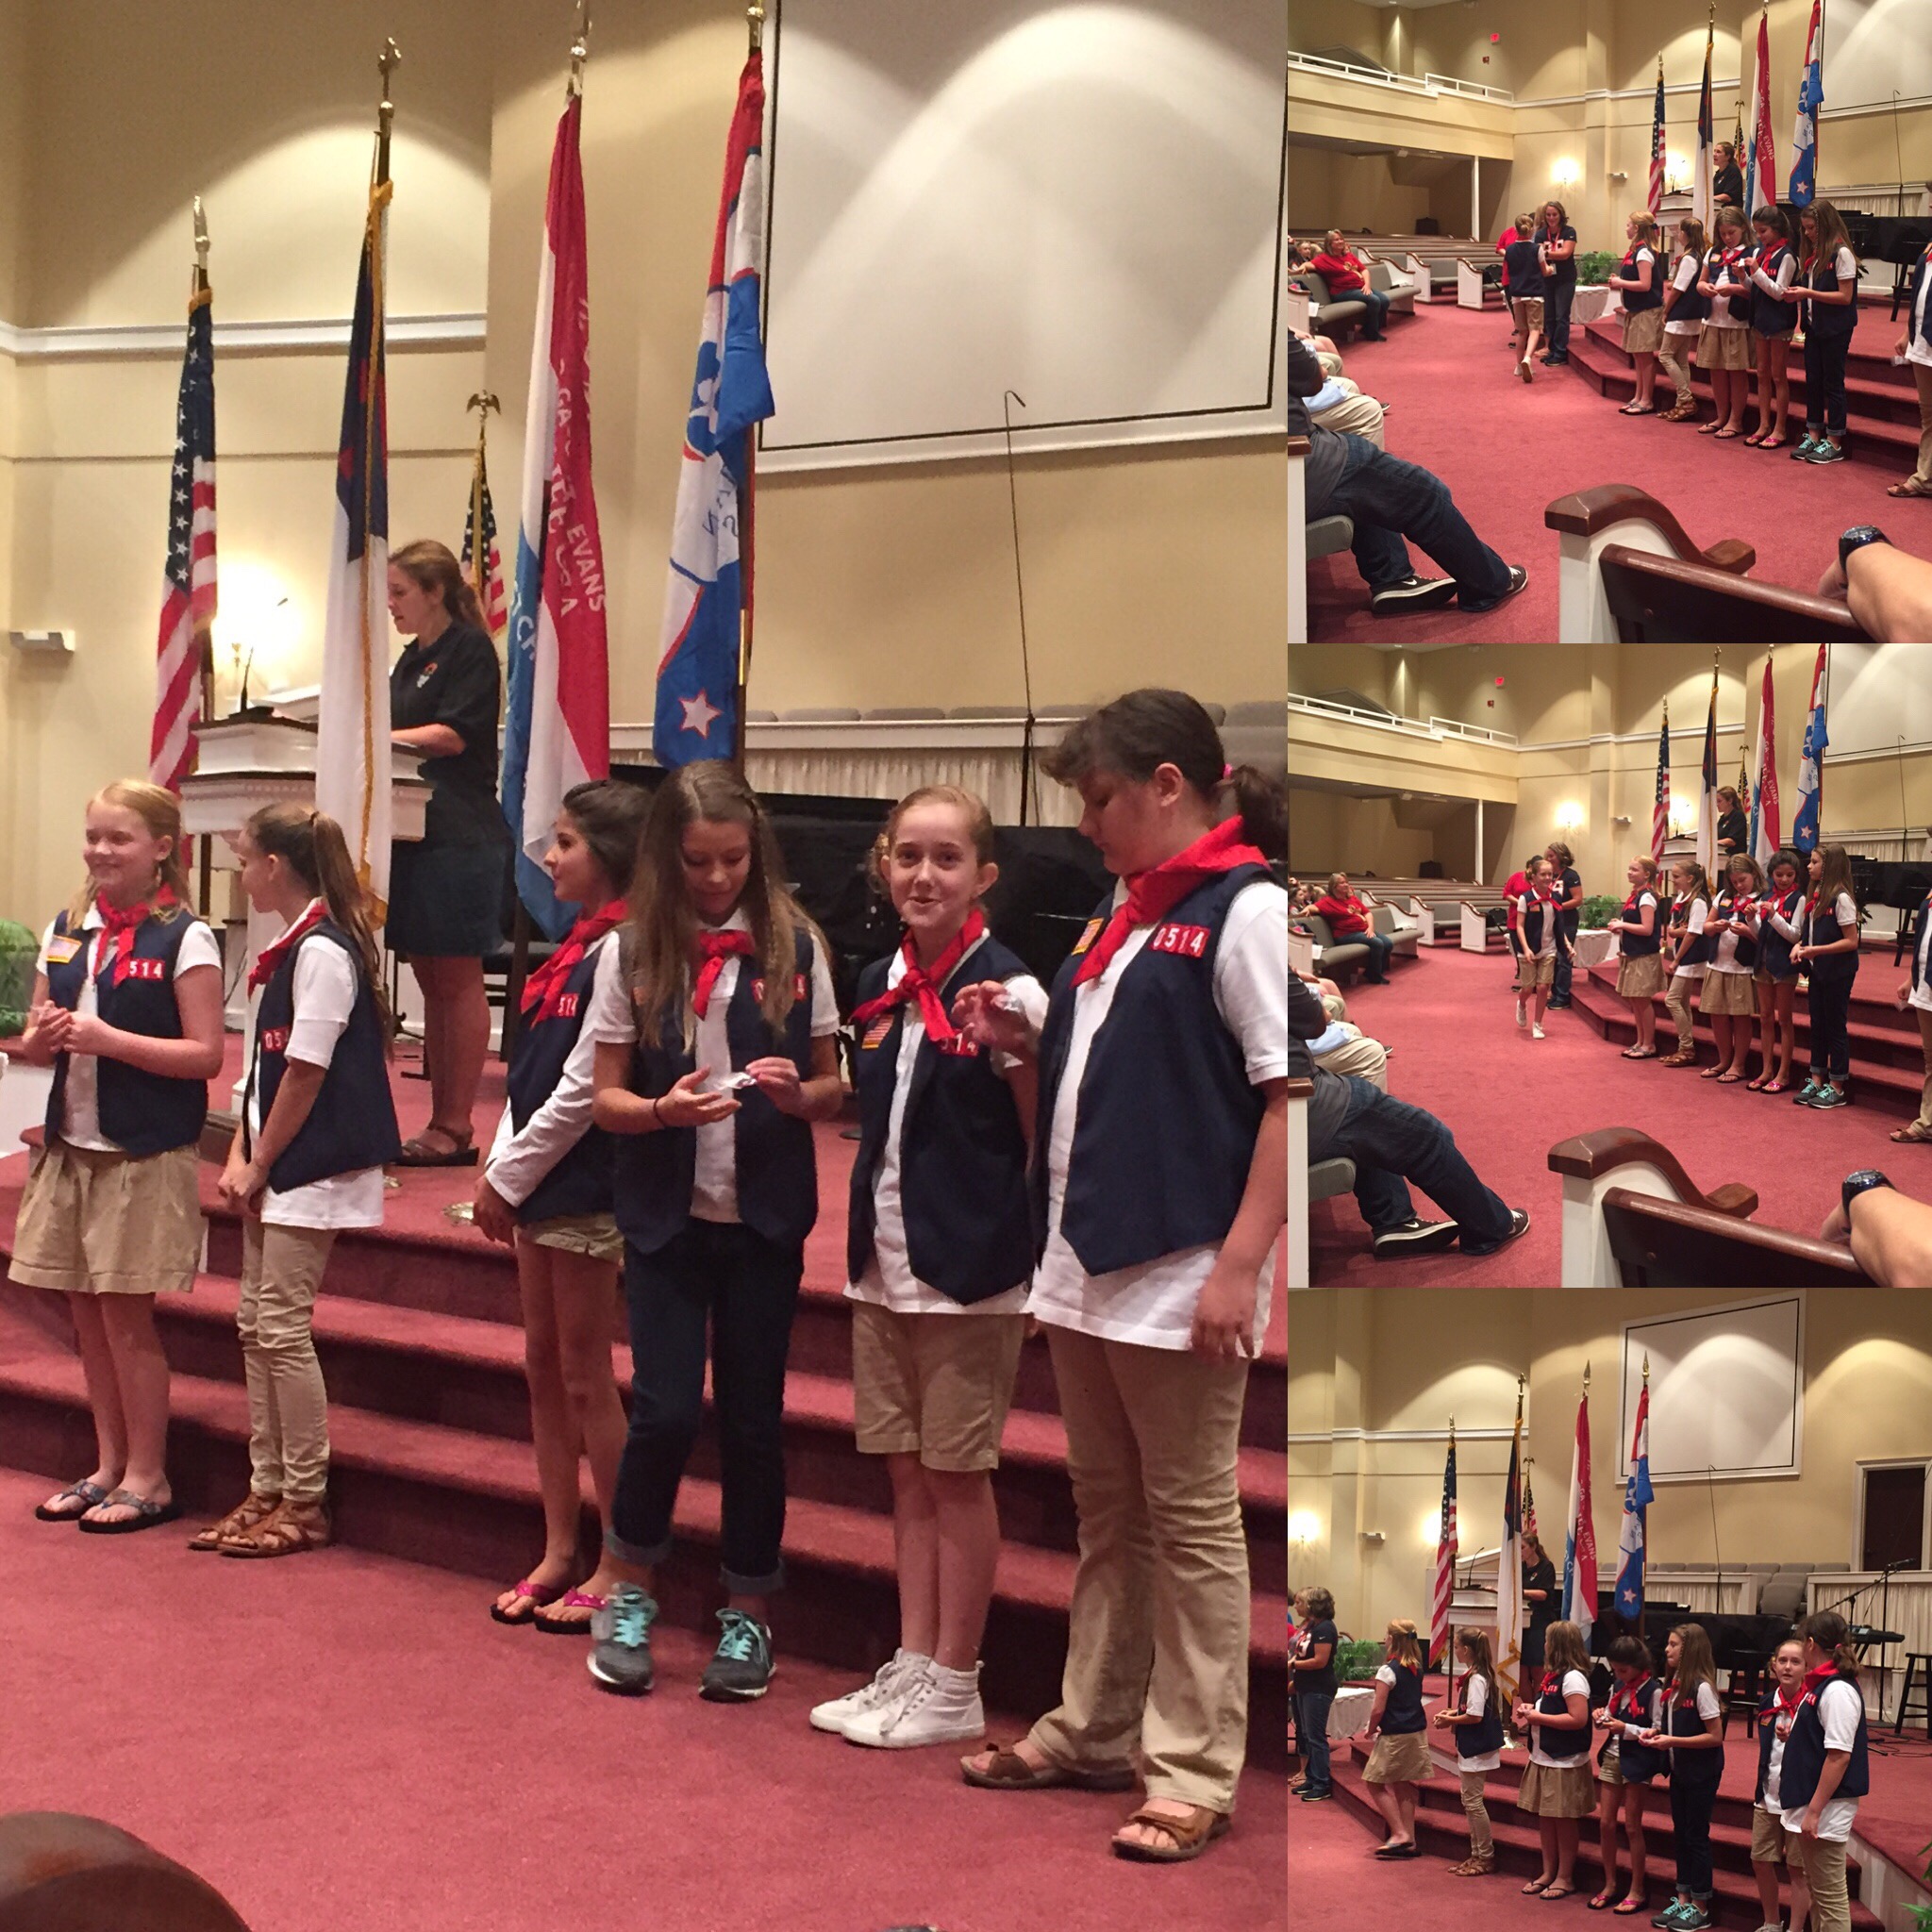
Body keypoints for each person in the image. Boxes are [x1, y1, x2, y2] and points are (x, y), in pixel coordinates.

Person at [953, 691, 1287, 1864]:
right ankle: (1093, 1725)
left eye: (1098, 799)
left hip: (1182, 1263)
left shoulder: (1246, 907)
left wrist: (1237, 1266)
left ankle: (1191, 1767)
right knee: (1109, 1514)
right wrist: (1026, 1034)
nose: (1085, 823)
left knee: (1190, 1521)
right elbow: (1118, 1064)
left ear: (1165, 784)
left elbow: (1286, 1099)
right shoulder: (1125, 907)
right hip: (1087, 1258)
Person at [584, 761, 845, 1702]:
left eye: (733, 859)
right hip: (667, 1214)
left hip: (763, 1216)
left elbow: (833, 1083)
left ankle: (748, 1609)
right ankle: (629, 1589)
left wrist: (801, 1096)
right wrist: (663, 1110)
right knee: (662, 1409)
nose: (716, 877)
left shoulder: (796, 945)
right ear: (667, 857)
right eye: (697, 861)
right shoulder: (630, 950)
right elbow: (605, 1097)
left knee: (752, 1418)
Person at [816, 785, 1047, 1750]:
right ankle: (913, 1660)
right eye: (907, 855)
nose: (923, 875)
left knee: (956, 1473)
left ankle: (957, 1674)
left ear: (982, 875)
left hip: (968, 1268)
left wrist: (1038, 1260)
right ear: (883, 865)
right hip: (884, 1262)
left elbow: (1040, 1134)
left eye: (946, 858)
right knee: (905, 1472)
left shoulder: (1012, 992)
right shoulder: (881, 981)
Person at [15, 779, 225, 1531]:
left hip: (141, 1150)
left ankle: (149, 1476)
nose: (100, 851)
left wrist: (109, 1041)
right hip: (71, 1144)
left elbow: (205, 1055)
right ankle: (108, 1465)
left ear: (162, 849)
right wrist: (39, 1040)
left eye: (118, 838)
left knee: (126, 1321)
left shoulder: (186, 937)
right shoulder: (67, 926)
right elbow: (36, 1037)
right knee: (85, 1316)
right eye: (93, 836)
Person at [194, 806, 400, 1558]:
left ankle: (305, 1499)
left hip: (312, 1165)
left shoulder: (322, 953)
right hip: (276, 1161)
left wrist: (261, 1161)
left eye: (246, 859)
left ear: (275, 867)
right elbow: (263, 1071)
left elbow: (307, 1073)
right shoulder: (286, 949)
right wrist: (240, 1153)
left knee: (280, 1327)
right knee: (255, 1325)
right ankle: (268, 1485)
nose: (241, 872)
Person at [475, 780, 648, 1628]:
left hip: (585, 1182)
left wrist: (508, 1178)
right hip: (539, 1179)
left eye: (567, 842)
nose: (549, 856)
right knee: (542, 1366)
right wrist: (502, 1164)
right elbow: (529, 1076)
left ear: (610, 856)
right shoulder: (572, 947)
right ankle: (558, 1545)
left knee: (585, 1375)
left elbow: (584, 1089)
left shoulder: (624, 948)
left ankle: (618, 1555)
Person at [384, 537, 511, 1167]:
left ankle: (455, 1125)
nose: (390, 604)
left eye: (399, 592)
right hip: (414, 831)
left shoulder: (469, 650)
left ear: (435, 592)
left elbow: (453, 736)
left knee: (456, 978)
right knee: (429, 979)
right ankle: (440, 1119)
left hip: (460, 833)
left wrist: (372, 734)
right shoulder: (409, 661)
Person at [1291, 973, 1530, 1258]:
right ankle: (1492, 1226)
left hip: (1299, 1096)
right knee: (1429, 1136)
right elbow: (1317, 1019)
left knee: (1372, 1124)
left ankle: (1393, 1219)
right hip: (1301, 1102)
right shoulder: (1264, 958)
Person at [1291, 332, 1529, 618]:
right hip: (1301, 460)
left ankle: (1392, 576)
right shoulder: (1266, 323)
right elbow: (1313, 376)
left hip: (1297, 454)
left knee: (1371, 482)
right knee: (1426, 493)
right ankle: (1490, 583)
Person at [1778, 1610, 1870, 1932]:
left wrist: (1814, 1811)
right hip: (1817, 1803)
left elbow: (1839, 1757)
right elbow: (1822, 1740)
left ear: (1810, 1644)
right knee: (1819, 1893)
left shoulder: (1837, 1690)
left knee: (1830, 1899)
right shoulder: (1822, 1685)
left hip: (1827, 1808)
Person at [1639, 1622, 1725, 1930]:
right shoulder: (1673, 1686)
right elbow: (1672, 1727)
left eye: (1674, 1644)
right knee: (1681, 1835)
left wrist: (1672, 1741)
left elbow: (1715, 1736)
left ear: (1691, 1650)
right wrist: (1656, 1733)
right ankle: (1683, 1898)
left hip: (1701, 1773)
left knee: (1696, 1836)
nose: (1667, 1649)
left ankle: (1701, 1906)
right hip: (1680, 1771)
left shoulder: (1702, 1688)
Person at [1511, 1618, 1593, 1901]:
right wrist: (1531, 1708)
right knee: (1546, 1818)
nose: (1543, 1645)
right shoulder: (1552, 1676)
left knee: (1563, 1820)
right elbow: (1550, 1708)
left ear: (1556, 1645)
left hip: (1564, 1760)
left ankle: (1565, 1877)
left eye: (1547, 1640)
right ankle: (1549, 1872)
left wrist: (1538, 1717)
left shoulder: (1573, 1678)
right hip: (1544, 1756)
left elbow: (1578, 1718)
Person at [1591, 1632, 1663, 1914]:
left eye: (1623, 1670)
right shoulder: (1618, 1686)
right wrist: (1601, 1719)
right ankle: (1609, 1883)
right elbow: (1610, 1718)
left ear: (1637, 1665)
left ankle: (1637, 1888)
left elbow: (1657, 1729)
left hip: (1639, 1760)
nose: (1618, 1675)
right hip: (1613, 1755)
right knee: (1605, 1823)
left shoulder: (1653, 1691)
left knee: (1632, 1826)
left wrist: (1627, 1729)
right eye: (1615, 1670)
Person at [1751, 1637, 1813, 1932]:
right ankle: (1771, 1922)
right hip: (1768, 1795)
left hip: (1799, 1799)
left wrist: (1796, 1739)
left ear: (1806, 1668)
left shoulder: (1811, 1704)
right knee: (1760, 1859)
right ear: (1773, 1665)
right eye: (1782, 1661)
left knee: (1797, 1868)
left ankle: (1795, 1929)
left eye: (1795, 1661)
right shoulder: (1767, 1702)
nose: (1787, 1667)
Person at [1791, 842, 1860, 1108]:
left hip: (1837, 971)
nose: (1808, 866)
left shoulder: (1841, 898)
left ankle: (1837, 1085)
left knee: (1834, 1027)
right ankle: (1817, 1079)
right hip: (1818, 970)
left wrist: (1817, 950)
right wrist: (1800, 946)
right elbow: (1810, 933)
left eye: (1814, 862)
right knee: (1817, 1025)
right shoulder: (1817, 895)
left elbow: (1851, 941)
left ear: (1829, 866)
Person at [1432, 1626, 1503, 1877]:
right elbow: (1469, 1708)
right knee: (1469, 1801)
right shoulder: (1476, 1674)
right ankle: (1476, 1854)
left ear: (1466, 1649)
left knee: (1473, 1803)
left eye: (1456, 1647)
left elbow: (1475, 1715)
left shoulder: (1477, 1678)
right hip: (1472, 1747)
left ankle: (1485, 1856)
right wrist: (1453, 1712)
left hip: (1477, 1748)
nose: (1455, 1651)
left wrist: (1449, 1721)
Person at [1794, 201, 1859, 465]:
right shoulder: (1814, 255)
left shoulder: (1841, 254)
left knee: (1833, 383)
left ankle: (1834, 440)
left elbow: (1845, 297)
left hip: (1835, 328)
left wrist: (1808, 293)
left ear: (1826, 226)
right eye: (1805, 228)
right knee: (1813, 381)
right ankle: (1814, 434)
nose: (1807, 233)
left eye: (1811, 228)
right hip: (1814, 327)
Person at [1359, 1619, 1430, 1858]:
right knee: (1403, 1784)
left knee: (1373, 1782)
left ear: (1392, 1639)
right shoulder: (1416, 1667)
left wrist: (1370, 1729)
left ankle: (1400, 1833)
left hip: (1395, 1735)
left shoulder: (1388, 1670)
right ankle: (1410, 1841)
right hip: (1415, 1732)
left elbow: (1378, 1709)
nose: (1384, 1638)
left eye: (1386, 1635)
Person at [1700, 853, 1762, 1084]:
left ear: (1754, 874)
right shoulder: (1724, 896)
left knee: (1740, 1017)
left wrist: (1747, 932)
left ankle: (1739, 1064)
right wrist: (1715, 926)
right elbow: (1706, 927)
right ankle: (1724, 1060)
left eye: (1742, 880)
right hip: (1717, 964)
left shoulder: (1762, 899)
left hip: (1742, 967)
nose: (1739, 885)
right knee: (1717, 1014)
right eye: (1734, 881)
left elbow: (1766, 938)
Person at [1749, 848, 1806, 1094]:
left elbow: (1795, 935)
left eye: (1789, 875)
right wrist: (1750, 919)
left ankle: (1784, 1073)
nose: (1784, 879)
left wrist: (1773, 916)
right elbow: (1759, 933)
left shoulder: (1799, 899)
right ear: (1771, 874)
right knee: (1764, 1017)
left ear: (1796, 875)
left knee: (1784, 1019)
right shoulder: (1766, 896)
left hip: (1784, 965)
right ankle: (1766, 1069)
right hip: (1763, 962)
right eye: (1779, 875)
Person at [1696, 207, 1756, 439]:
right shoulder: (1713, 252)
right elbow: (1700, 282)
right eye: (1723, 234)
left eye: (1732, 232)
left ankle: (1736, 420)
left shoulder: (1752, 252)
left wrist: (1735, 289)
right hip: (1713, 320)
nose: (1727, 238)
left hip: (1737, 322)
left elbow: (1757, 291)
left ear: (1743, 228)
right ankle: (1721, 416)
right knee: (1717, 370)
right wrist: (1704, 287)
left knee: (1736, 372)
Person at [1745, 205, 1799, 449]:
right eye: (1756, 231)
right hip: (1761, 318)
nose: (1759, 236)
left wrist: (1756, 272)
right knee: (1761, 373)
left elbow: (1779, 292)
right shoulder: (1761, 252)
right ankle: (1764, 424)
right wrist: (1743, 277)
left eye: (1763, 231)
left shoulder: (1787, 256)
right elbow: (1756, 287)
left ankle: (1780, 427)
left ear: (1777, 229)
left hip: (1779, 320)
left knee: (1778, 375)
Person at [1607, 212, 1664, 415]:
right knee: (1638, 356)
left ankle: (1646, 400)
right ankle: (1638, 396)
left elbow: (1645, 284)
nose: (1626, 228)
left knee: (1645, 357)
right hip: (1637, 310)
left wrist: (1620, 283)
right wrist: (1620, 280)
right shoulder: (1636, 251)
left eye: (1628, 225)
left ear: (1637, 228)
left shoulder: (1644, 252)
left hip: (1647, 311)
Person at [1889, 233, 1932, 499]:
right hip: (1922, 341)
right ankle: (1924, 477)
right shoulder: (1929, 249)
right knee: (1928, 414)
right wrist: (1907, 333)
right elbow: (1919, 296)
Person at [1660, 858, 1713, 1070]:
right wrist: (1675, 932)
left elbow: (1693, 933)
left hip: (1692, 957)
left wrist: (1677, 959)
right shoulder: (1683, 897)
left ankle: (1687, 1048)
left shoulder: (1698, 901)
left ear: (1690, 878)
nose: (1672, 880)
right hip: (1684, 955)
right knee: (1681, 1002)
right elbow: (1675, 928)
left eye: (1676, 876)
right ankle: (1685, 1047)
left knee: (1672, 1000)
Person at [1609, 856, 1664, 1058]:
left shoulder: (1647, 897)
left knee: (1642, 1001)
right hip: (1632, 954)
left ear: (1647, 874)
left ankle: (1649, 1044)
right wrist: (1621, 926)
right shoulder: (1635, 895)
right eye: (1629, 868)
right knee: (1635, 1000)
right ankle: (1640, 1041)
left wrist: (1622, 925)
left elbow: (1647, 929)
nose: (1629, 872)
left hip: (1644, 956)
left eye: (1634, 869)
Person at [1657, 216, 1708, 423]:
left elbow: (1679, 289)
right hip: (1692, 312)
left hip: (1682, 313)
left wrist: (1666, 311)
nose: (1678, 234)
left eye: (1679, 231)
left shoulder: (1689, 258)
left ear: (1685, 234)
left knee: (1665, 356)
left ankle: (1686, 399)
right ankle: (1681, 404)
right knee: (1680, 359)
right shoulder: (1699, 255)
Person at [1513, 857, 1571, 1040]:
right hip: (1528, 949)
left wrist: (1567, 944)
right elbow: (1519, 926)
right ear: (1534, 877)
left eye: (1550, 874)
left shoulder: (1556, 897)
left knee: (1543, 987)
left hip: (1549, 949)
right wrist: (1526, 949)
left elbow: (1558, 926)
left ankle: (1538, 1024)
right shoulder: (1526, 898)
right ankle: (1522, 1004)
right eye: (1543, 874)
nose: (1547, 878)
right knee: (1528, 988)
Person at [1294, 1586, 1341, 1802]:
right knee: (1306, 1735)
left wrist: (1293, 1664)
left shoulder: (1326, 1628)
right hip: (1305, 1686)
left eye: (1304, 1602)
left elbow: (1320, 1661)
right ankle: (1312, 1778)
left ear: (1316, 1605)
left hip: (1319, 1688)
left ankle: (1322, 1783)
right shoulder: (1312, 1626)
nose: (1299, 1605)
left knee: (1316, 1737)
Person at [1312, 230, 1390, 341]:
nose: (1340, 241)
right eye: (1336, 240)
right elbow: (1309, 264)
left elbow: (1364, 270)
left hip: (1359, 287)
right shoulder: (1324, 259)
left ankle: (1367, 328)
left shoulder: (1348, 255)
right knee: (1374, 300)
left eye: (1341, 239)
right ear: (1329, 244)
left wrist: (1367, 285)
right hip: (1342, 291)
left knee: (1385, 300)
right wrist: (1303, 267)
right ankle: (1372, 333)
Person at [1317, 872, 1392, 984]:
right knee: (1377, 943)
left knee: (1388, 943)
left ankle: (1371, 971)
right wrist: (1307, 909)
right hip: (1345, 935)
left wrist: (1370, 928)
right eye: (1342, 883)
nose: (1346, 885)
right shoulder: (1328, 902)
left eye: (1346, 882)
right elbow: (1313, 907)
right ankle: (1375, 976)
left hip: (1362, 930)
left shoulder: (1352, 899)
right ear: (1334, 887)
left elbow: (1367, 913)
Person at [1503, 210, 1546, 382]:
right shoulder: (1537, 249)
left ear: (1516, 230)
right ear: (1531, 230)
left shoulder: (1509, 250)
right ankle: (1527, 359)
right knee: (1535, 330)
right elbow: (1544, 271)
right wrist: (1550, 269)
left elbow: (1512, 270)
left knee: (1521, 332)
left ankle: (1518, 366)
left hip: (1516, 294)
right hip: (1534, 294)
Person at [1539, 201, 1579, 365]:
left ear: (1561, 215)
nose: (1551, 218)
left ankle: (1561, 352)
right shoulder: (1541, 233)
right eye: (1548, 215)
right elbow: (1537, 254)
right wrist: (1551, 253)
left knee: (1561, 316)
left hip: (1565, 279)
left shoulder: (1569, 232)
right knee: (1549, 316)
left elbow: (1566, 253)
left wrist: (1546, 252)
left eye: (1554, 214)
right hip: (1548, 279)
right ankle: (1552, 349)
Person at [1546, 841, 1583, 1009]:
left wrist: (1558, 906)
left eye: (1551, 856)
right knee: (1553, 958)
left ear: (1561, 856)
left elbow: (1578, 900)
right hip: (1552, 921)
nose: (1548, 859)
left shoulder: (1570, 875)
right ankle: (1555, 993)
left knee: (1564, 959)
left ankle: (1563, 996)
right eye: (1547, 856)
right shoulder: (1549, 875)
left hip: (1567, 921)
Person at [1521, 1532, 1558, 1678]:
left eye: (1523, 1547)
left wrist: (1520, 1592)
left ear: (1533, 1546)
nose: (1520, 1552)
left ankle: (1538, 1695)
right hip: (1521, 1623)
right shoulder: (1520, 1568)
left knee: (1537, 1669)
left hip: (1539, 1622)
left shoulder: (1546, 1566)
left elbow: (1543, 1594)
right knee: (1521, 1671)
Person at [1714, 785, 1750, 858]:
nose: (1717, 804)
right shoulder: (1722, 819)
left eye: (1719, 801)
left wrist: (1711, 844)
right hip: (1722, 857)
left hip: (1736, 858)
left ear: (1730, 801)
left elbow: (1732, 841)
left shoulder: (1738, 816)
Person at [1712, 142, 1745, 208]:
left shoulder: (1733, 171)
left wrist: (1708, 199)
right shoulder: (1718, 173)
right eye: (1714, 151)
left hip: (1730, 212)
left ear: (1728, 156)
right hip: (1718, 210)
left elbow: (1728, 197)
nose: (1714, 154)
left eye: (1718, 152)